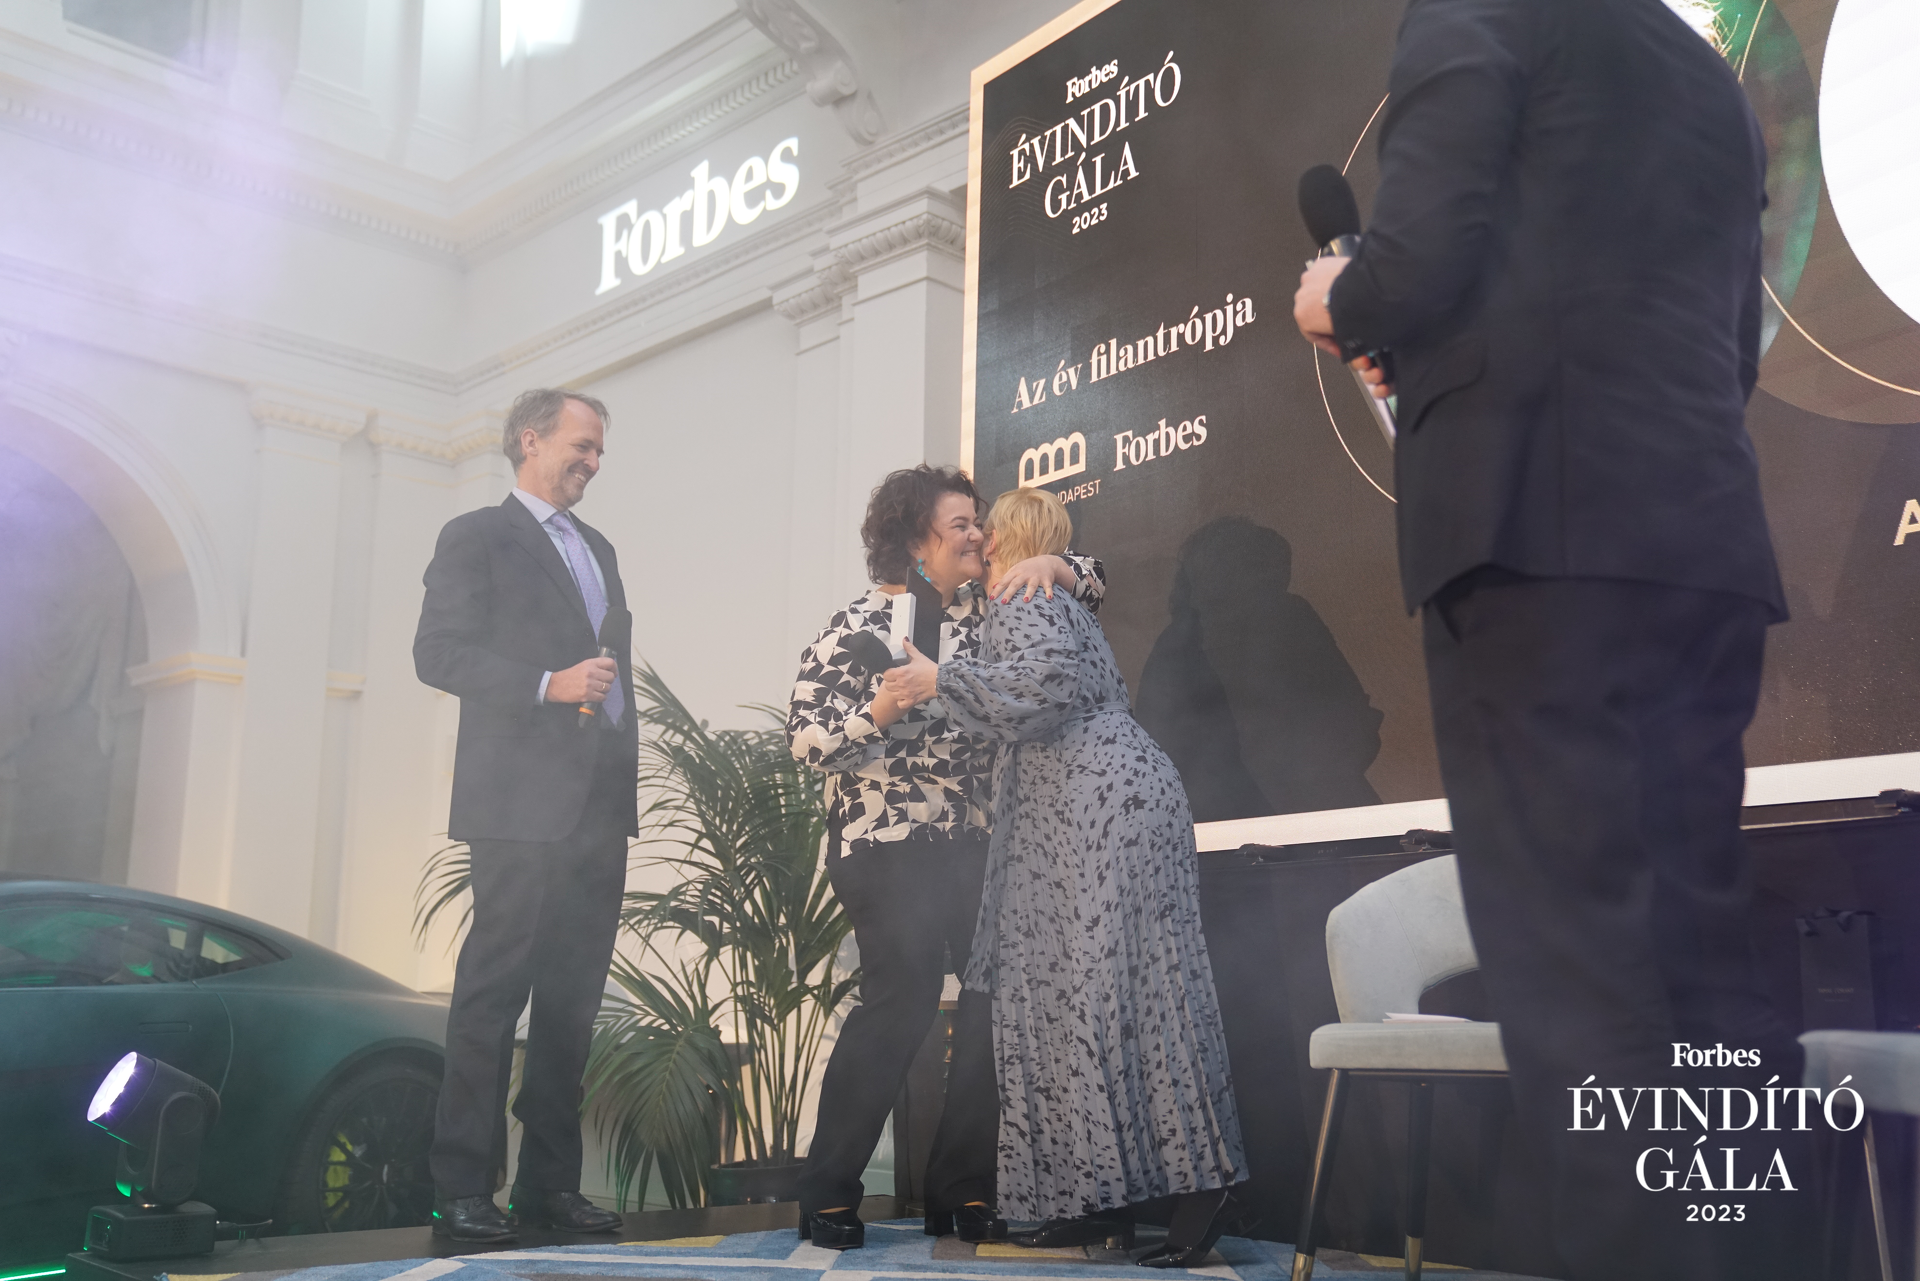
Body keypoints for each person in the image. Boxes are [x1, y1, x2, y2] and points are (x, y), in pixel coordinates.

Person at [1291, 2, 1808, 1278]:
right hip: (1699, 533)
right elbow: (1724, 344)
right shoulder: (1705, 74)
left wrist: (1341, 295)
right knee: (1701, 952)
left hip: (1537, 537)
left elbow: (1416, 259)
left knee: (1577, 963)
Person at [883, 488, 1247, 1269]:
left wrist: (942, 680)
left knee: (1123, 994)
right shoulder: (1044, 589)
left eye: (982, 526)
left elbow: (1042, 692)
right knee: (1086, 998)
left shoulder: (1024, 595)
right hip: (1089, 806)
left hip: (1098, 805)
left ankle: (1202, 1187)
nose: (973, 536)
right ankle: (1091, 1199)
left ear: (1005, 538)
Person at [786, 465, 1104, 1251]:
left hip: (976, 844)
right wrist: (876, 711)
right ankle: (828, 1192)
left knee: (994, 1002)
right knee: (902, 999)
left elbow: (1093, 583)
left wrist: (1054, 564)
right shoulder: (854, 623)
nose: (978, 534)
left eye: (978, 522)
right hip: (882, 845)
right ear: (913, 540)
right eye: (960, 523)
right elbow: (805, 741)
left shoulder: (998, 603)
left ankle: (963, 1190)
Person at [413, 388, 632, 1243]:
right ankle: (464, 1188)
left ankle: (550, 1186)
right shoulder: (476, 535)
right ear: (531, 440)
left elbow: (611, 664)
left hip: (598, 808)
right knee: (492, 995)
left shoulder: (600, 547)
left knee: (572, 1004)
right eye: (584, 445)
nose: (595, 462)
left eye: (601, 450)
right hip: (515, 804)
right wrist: (549, 684)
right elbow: (437, 651)